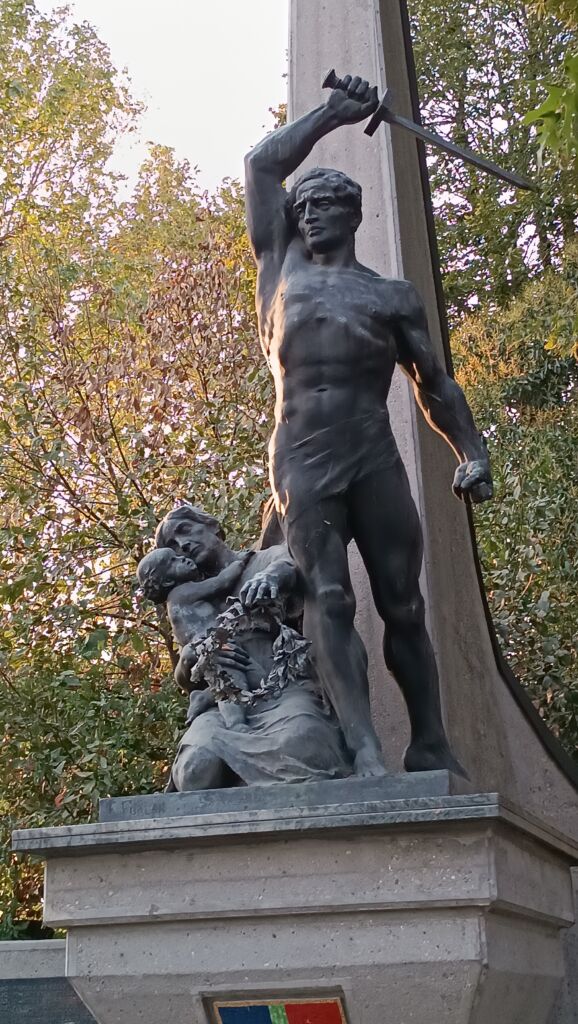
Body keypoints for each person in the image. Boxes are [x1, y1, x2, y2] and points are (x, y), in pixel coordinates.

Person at [244, 73, 494, 777]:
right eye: (303, 206)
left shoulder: (390, 296)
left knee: (403, 604)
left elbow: (433, 383)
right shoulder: (280, 271)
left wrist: (471, 451)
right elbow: (261, 165)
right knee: (326, 596)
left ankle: (431, 741)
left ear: (352, 215)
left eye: (325, 204)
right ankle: (362, 748)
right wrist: (332, 113)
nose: (310, 215)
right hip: (300, 456)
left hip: (373, 453)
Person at [151, 504, 351, 790]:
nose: (183, 544)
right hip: (224, 702)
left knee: (306, 746)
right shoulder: (187, 595)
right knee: (195, 771)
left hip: (281, 693)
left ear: (212, 526)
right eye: (173, 545)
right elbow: (187, 677)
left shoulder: (264, 560)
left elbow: (288, 564)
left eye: (185, 530)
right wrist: (187, 659)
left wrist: (271, 576)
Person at [136, 546, 253, 729]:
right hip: (210, 648)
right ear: (167, 581)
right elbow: (222, 582)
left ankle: (204, 697)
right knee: (230, 681)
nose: (182, 558)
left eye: (178, 555)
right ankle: (236, 723)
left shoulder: (178, 598)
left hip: (215, 646)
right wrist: (240, 562)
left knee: (240, 677)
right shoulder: (182, 593)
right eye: (173, 561)